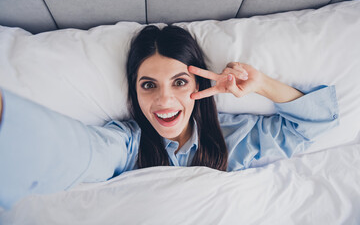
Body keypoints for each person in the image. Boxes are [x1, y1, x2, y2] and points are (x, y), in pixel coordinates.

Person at [0, 25, 339, 209]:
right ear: (134, 92)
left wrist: (261, 84)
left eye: (179, 82)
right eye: (149, 85)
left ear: (199, 85)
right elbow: (86, 150)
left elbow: (319, 121)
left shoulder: (236, 137)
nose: (165, 100)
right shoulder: (128, 142)